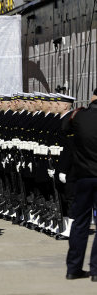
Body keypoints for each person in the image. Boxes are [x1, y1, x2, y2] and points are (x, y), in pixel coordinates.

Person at [63, 90, 97, 282]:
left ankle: (73, 269)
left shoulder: (78, 115)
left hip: (82, 177)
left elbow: (64, 129)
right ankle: (96, 269)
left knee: (80, 223)